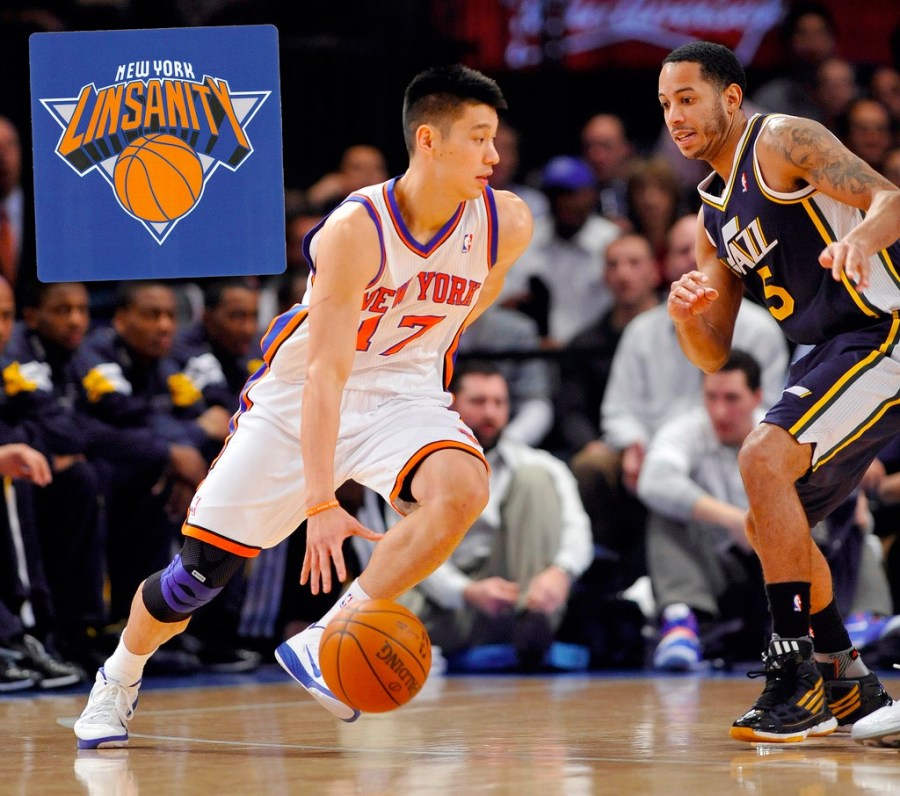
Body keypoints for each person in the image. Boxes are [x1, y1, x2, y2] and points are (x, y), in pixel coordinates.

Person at [74, 63, 533, 748]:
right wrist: (322, 501)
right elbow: (325, 372)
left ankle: (330, 635)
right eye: (479, 137)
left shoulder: (506, 223)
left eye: (495, 138)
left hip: (404, 388)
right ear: (429, 140)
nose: (494, 155)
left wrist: (414, 377)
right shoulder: (355, 229)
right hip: (301, 396)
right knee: (194, 581)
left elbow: (467, 307)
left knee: (461, 488)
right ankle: (120, 674)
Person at [658, 40, 900, 743]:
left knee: (761, 459)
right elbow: (712, 354)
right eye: (666, 104)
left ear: (730, 98)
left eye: (688, 98)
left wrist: (860, 243)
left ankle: (795, 676)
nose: (675, 116)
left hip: (881, 330)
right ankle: (849, 684)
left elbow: (890, 198)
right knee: (770, 520)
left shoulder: (783, 139)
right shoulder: (711, 214)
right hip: (827, 352)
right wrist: (686, 317)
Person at [397, 362, 592, 669]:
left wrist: (562, 572)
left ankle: (533, 627)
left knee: (535, 480)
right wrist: (465, 591)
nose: (490, 412)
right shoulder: (417, 465)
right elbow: (406, 552)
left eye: (499, 402)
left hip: (515, 588)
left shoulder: (541, 463)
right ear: (451, 404)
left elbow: (577, 527)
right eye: (478, 401)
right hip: (449, 597)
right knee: (376, 609)